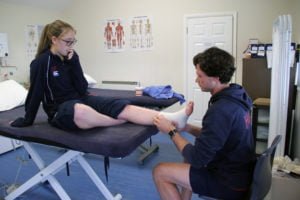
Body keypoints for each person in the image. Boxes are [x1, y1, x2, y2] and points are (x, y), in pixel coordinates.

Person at [10, 20, 192, 131]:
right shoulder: (42, 62)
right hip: (60, 110)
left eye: (73, 41)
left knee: (119, 104)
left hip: (81, 99)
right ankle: (115, 122)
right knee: (79, 111)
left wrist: (73, 63)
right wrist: (28, 119)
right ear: (54, 39)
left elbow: (82, 88)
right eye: (68, 41)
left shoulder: (72, 57)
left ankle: (174, 119)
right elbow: (35, 93)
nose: (71, 45)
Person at [153, 47, 255, 200]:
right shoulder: (237, 95)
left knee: (160, 171)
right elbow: (216, 136)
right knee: (187, 156)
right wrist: (187, 128)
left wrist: (171, 131)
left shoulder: (221, 110)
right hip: (239, 171)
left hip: (229, 183)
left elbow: (197, 158)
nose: (196, 80)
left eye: (200, 76)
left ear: (216, 79)